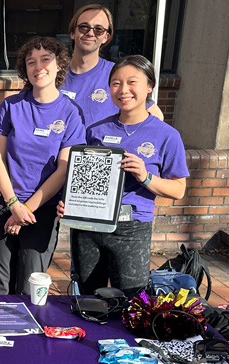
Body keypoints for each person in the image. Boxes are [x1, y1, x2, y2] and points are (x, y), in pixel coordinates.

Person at [71, 55, 188, 298]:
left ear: (149, 87)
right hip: (89, 226)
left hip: (132, 229)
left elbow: (178, 190)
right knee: (88, 299)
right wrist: (70, 202)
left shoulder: (167, 135)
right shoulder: (95, 131)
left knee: (131, 301)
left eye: (132, 82)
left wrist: (145, 176)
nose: (123, 90)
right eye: (116, 83)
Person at [0, 36, 85, 295]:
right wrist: (13, 205)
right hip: (3, 205)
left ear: (59, 65)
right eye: (31, 62)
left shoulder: (70, 112)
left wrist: (25, 210)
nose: (38, 67)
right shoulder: (11, 105)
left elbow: (64, 169)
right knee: (0, 287)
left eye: (46, 60)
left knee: (30, 286)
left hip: (41, 210)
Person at [62, 4, 164, 127]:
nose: (90, 33)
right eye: (84, 27)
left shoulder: (117, 73)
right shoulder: (52, 72)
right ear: (72, 33)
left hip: (100, 146)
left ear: (106, 37)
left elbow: (156, 115)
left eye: (98, 29)